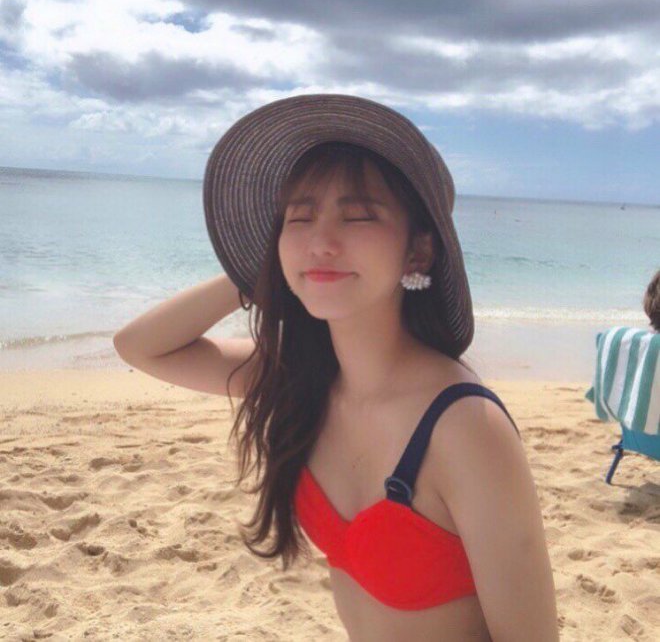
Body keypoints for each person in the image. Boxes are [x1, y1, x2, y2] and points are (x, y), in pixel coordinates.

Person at [114, 94, 559, 641]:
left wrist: (292, 261)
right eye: (300, 218)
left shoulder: (464, 427)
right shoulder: (303, 381)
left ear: (418, 252)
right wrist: (264, 271)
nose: (321, 242)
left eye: (358, 216)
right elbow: (141, 346)